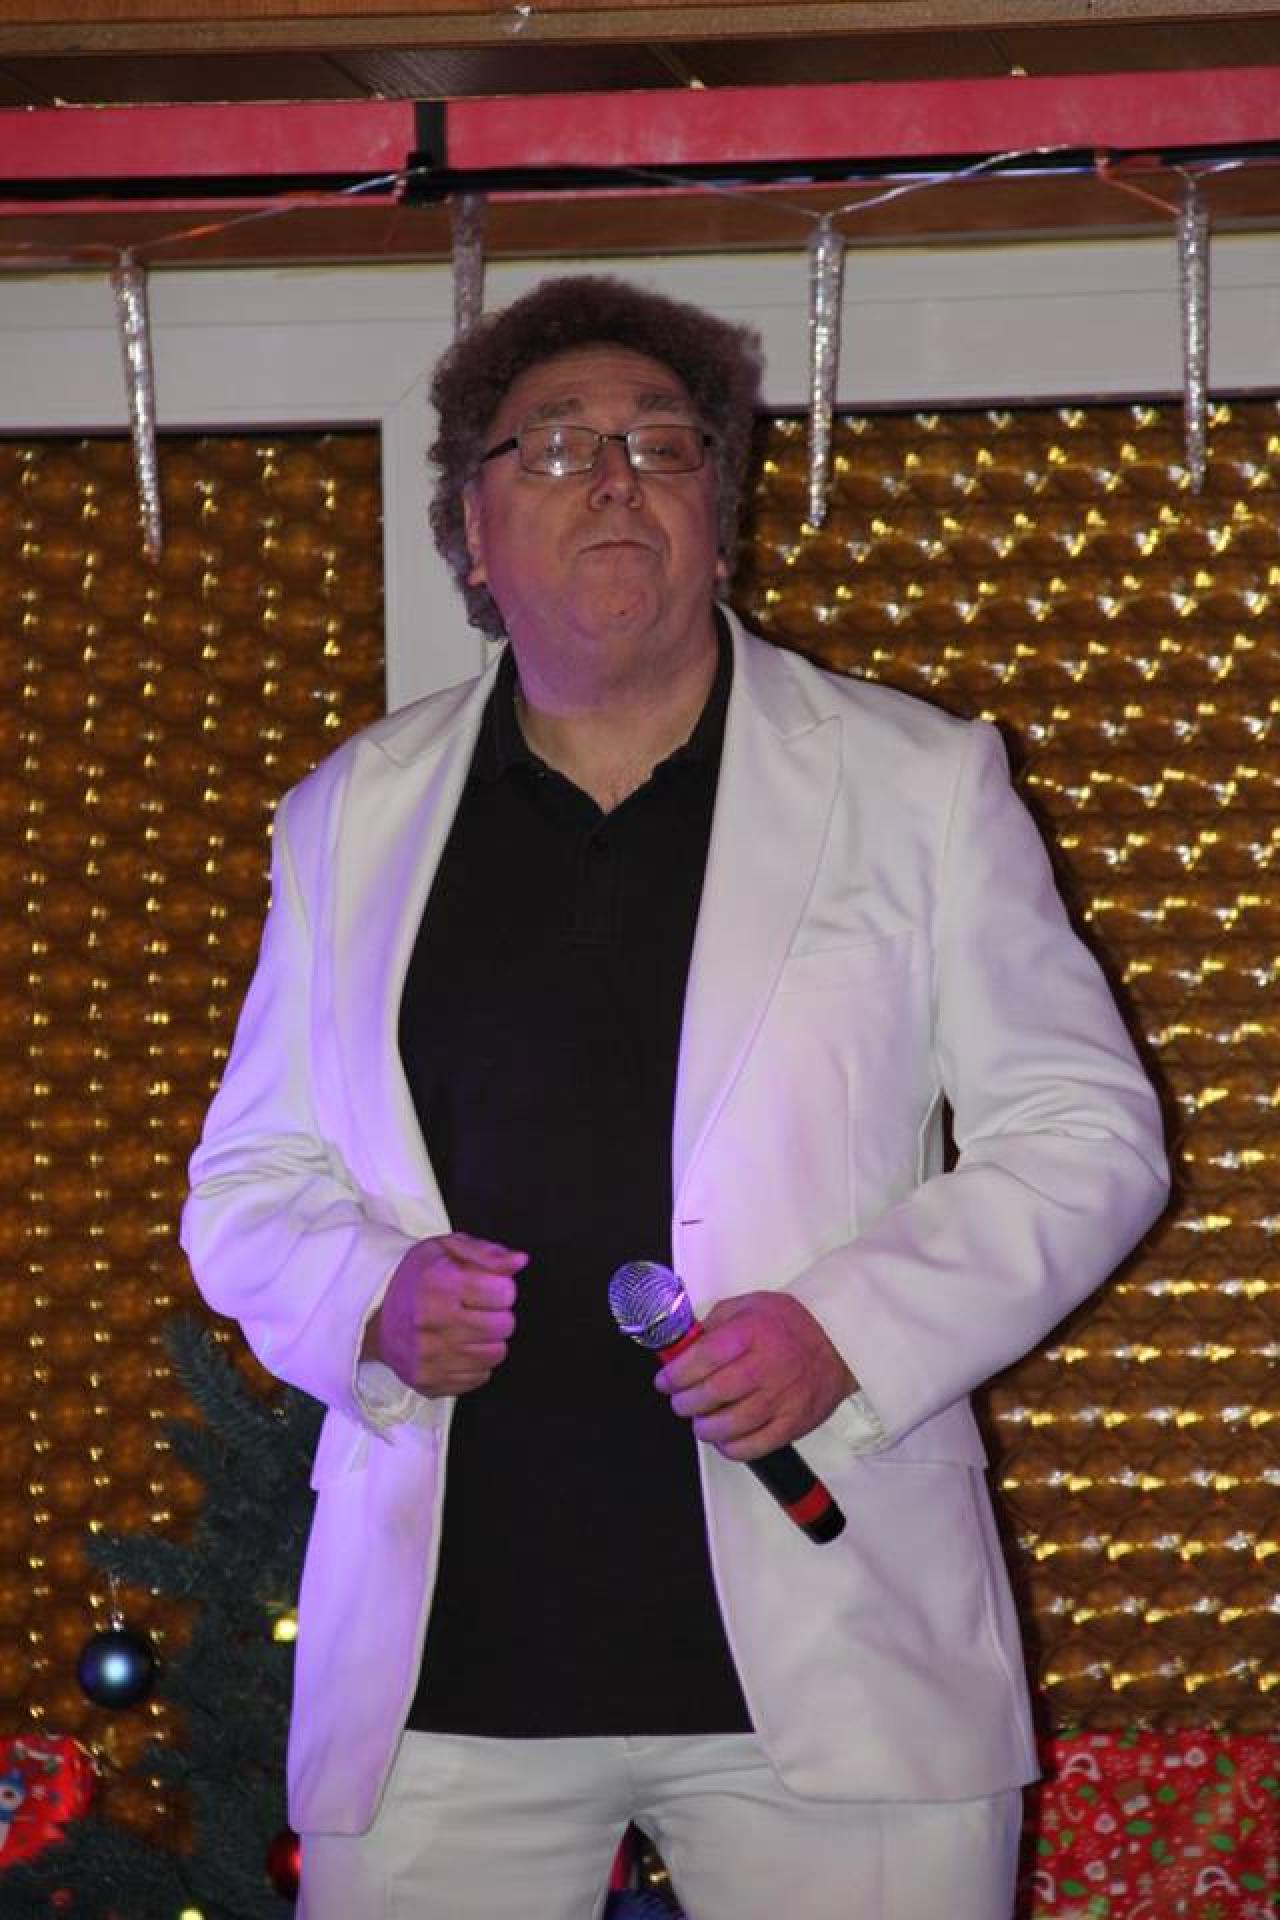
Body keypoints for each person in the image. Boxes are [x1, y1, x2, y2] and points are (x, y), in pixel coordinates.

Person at [181, 274, 1168, 1920]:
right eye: (556, 446)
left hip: (836, 1632)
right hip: (443, 1667)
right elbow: (248, 1182)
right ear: (472, 531)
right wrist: (370, 1299)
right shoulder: (350, 813)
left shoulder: (919, 783)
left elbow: (1087, 1134)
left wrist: (847, 1328)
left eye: (661, 443)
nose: (616, 479)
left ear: (721, 516)